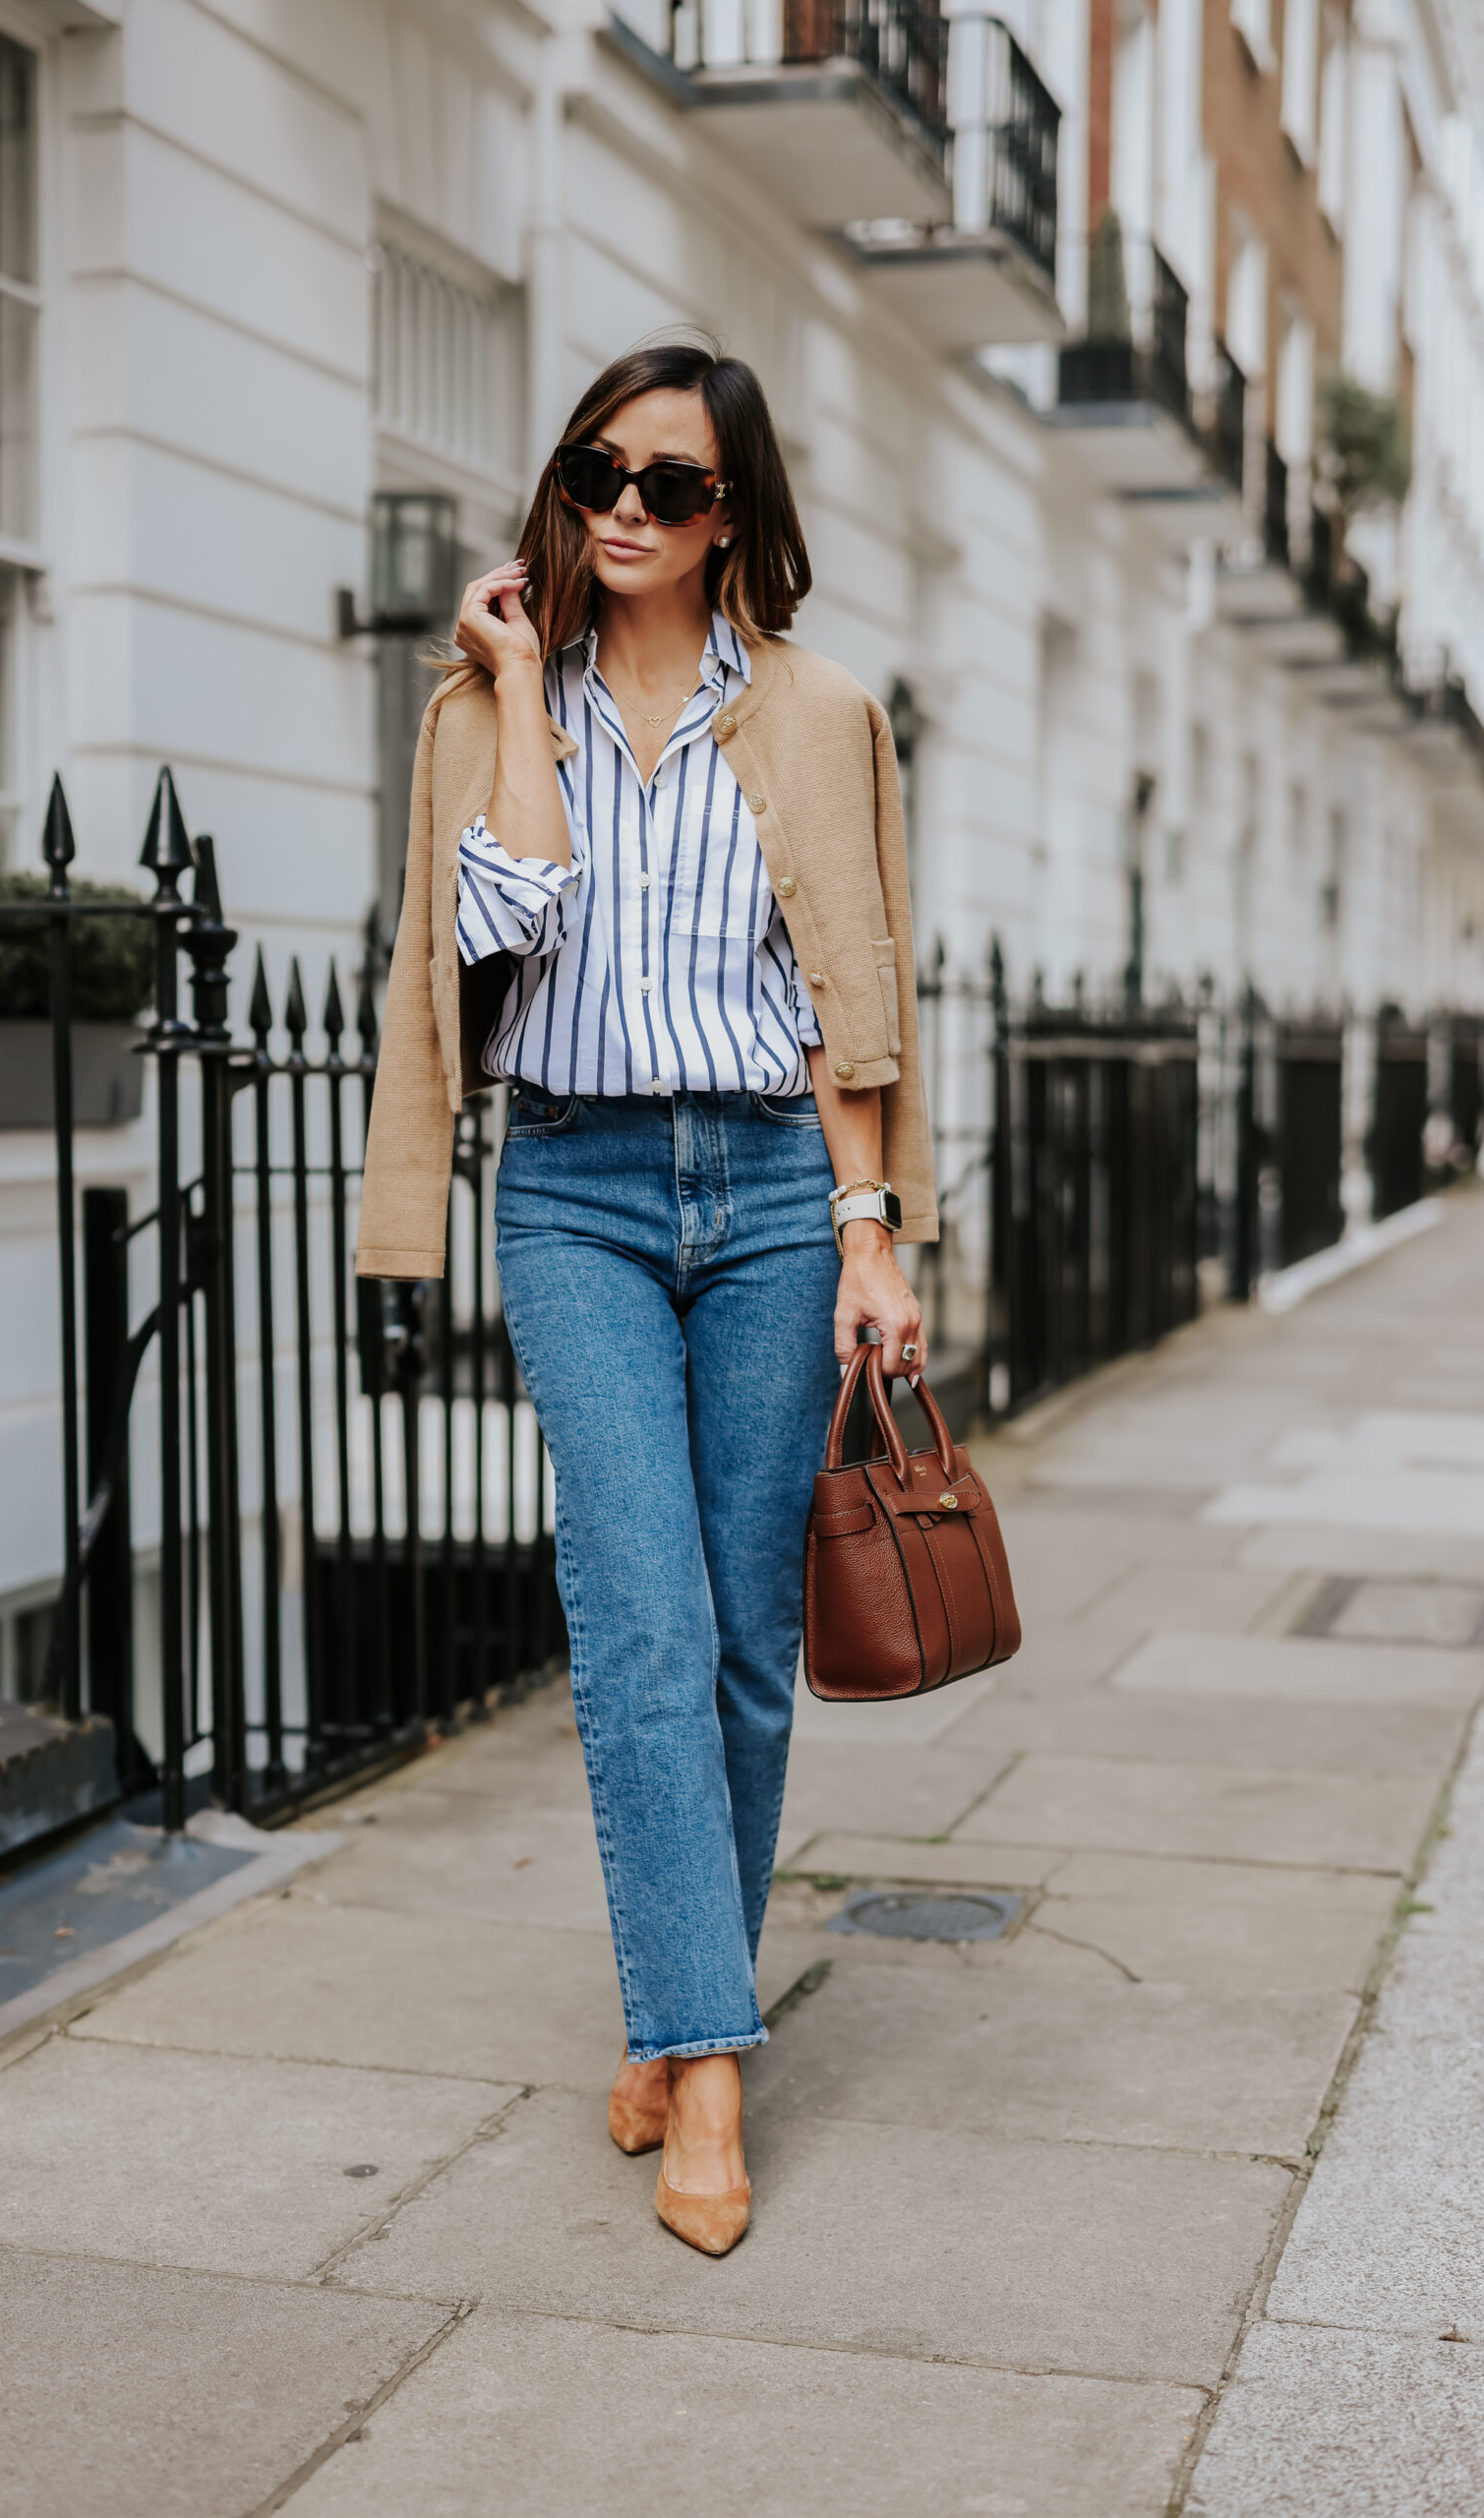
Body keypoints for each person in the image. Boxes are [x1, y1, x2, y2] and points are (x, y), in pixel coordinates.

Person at [358, 336, 937, 2254]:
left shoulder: (820, 710)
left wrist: (871, 1237)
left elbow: (854, 992)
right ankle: (703, 2054)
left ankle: (678, 2003)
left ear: (732, 514)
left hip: (772, 1186)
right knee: (633, 1619)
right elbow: (499, 921)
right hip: (581, 1187)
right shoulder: (480, 706)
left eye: (668, 484)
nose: (622, 505)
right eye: (599, 469)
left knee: (745, 1644)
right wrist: (522, 683)